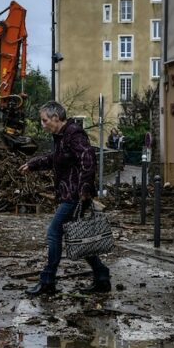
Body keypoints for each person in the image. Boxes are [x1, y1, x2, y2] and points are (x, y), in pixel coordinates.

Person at [20, 101, 111, 296]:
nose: (43, 124)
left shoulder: (73, 133)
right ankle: (102, 276)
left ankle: (48, 281)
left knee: (54, 232)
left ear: (55, 117)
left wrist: (85, 189)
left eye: (44, 120)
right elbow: (56, 158)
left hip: (75, 195)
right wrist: (33, 164)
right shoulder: (61, 136)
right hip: (70, 193)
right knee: (78, 236)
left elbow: (88, 158)